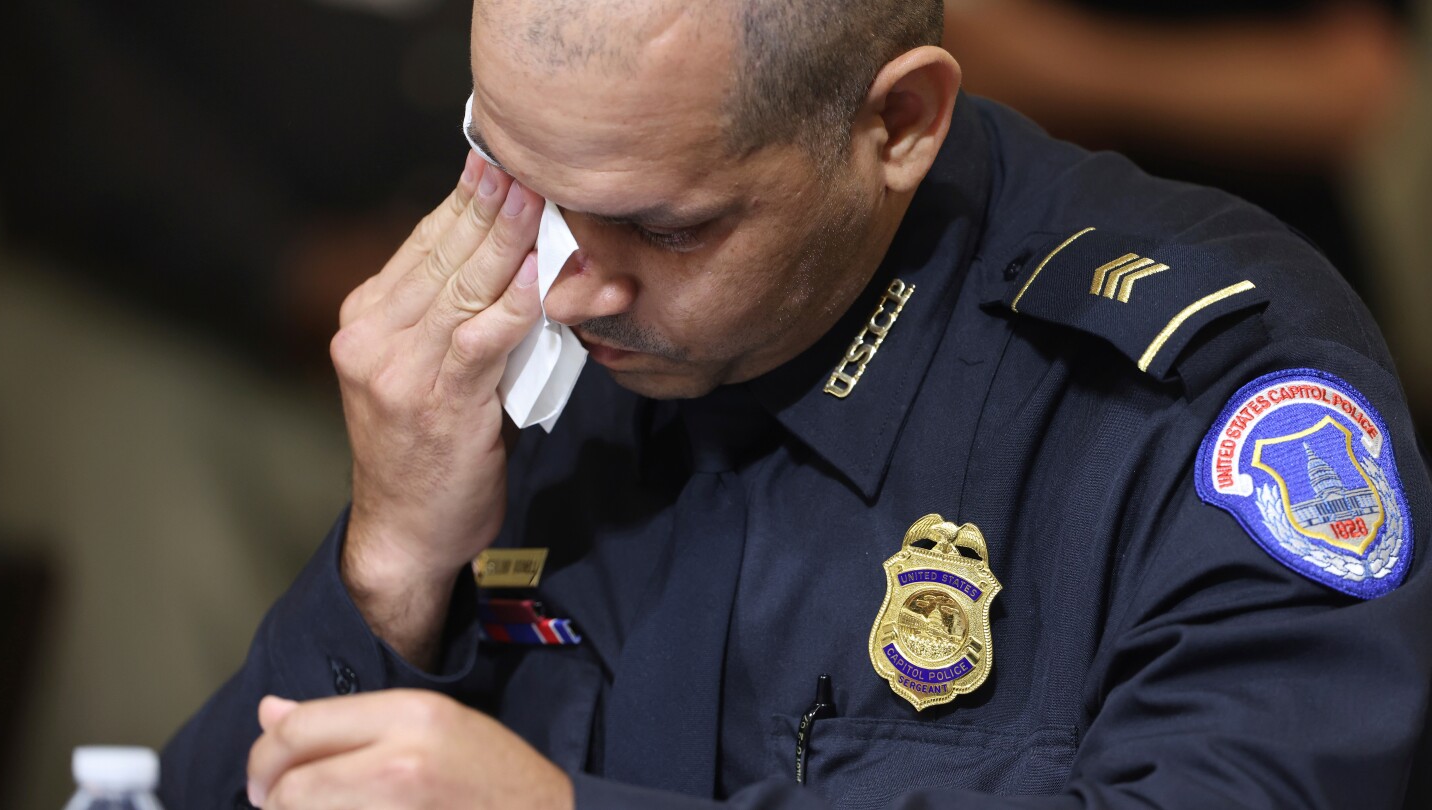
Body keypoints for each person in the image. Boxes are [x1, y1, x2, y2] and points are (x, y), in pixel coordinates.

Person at [161, 0, 1432, 808]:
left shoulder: (1202, 405)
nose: (567, 288)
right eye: (512, 183)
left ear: (899, 122)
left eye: (667, 225)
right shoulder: (540, 364)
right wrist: (390, 564)